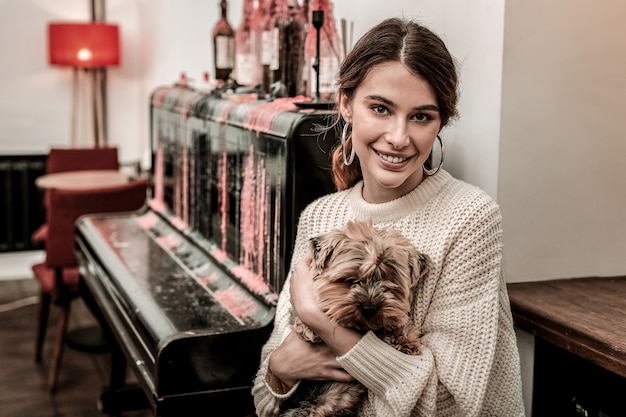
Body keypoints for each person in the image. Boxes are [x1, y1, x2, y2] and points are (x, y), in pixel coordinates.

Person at [252, 17, 526, 416]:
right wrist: (279, 367)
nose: (399, 137)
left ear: (441, 122)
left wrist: (322, 323)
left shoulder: (470, 218)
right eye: (380, 108)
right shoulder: (320, 217)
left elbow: (452, 403)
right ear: (346, 104)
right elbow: (266, 396)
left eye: (421, 116)